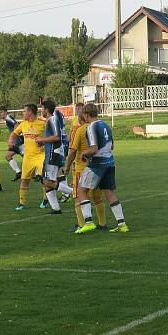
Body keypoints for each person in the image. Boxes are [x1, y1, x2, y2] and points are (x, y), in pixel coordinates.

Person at [75, 102, 127, 234]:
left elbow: (93, 149)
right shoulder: (106, 125)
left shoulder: (91, 127)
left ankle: (88, 222)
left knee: (81, 191)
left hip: (97, 164)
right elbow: (112, 146)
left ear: (86, 115)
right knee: (109, 192)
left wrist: (83, 154)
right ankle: (122, 224)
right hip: (110, 163)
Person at [64, 105, 107, 233]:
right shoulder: (98, 128)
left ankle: (82, 224)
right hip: (98, 167)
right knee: (97, 197)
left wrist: (66, 168)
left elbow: (72, 152)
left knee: (78, 197)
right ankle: (102, 223)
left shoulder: (81, 130)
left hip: (82, 168)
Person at [9, 104, 49, 211]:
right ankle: (22, 202)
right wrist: (11, 139)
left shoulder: (43, 123)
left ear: (30, 112)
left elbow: (52, 136)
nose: (23, 113)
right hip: (28, 157)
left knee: (45, 180)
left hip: (41, 156)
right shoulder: (23, 124)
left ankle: (46, 199)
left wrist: (43, 140)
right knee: (24, 180)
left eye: (24, 111)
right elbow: (14, 134)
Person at [35, 99, 66, 215]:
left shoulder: (52, 119)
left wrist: (42, 140)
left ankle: (73, 192)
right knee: (45, 181)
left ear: (47, 110)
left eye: (42, 108)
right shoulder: (49, 120)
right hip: (50, 154)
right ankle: (56, 208)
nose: (41, 110)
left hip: (53, 154)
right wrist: (43, 142)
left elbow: (57, 137)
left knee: (48, 182)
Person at [0, 106, 24, 181]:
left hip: (18, 142)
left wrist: (12, 138)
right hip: (16, 142)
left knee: (27, 157)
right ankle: (18, 172)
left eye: (1, 112)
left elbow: (16, 125)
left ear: (5, 112)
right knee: (8, 156)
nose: (0, 114)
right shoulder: (8, 118)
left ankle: (38, 173)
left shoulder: (8, 118)